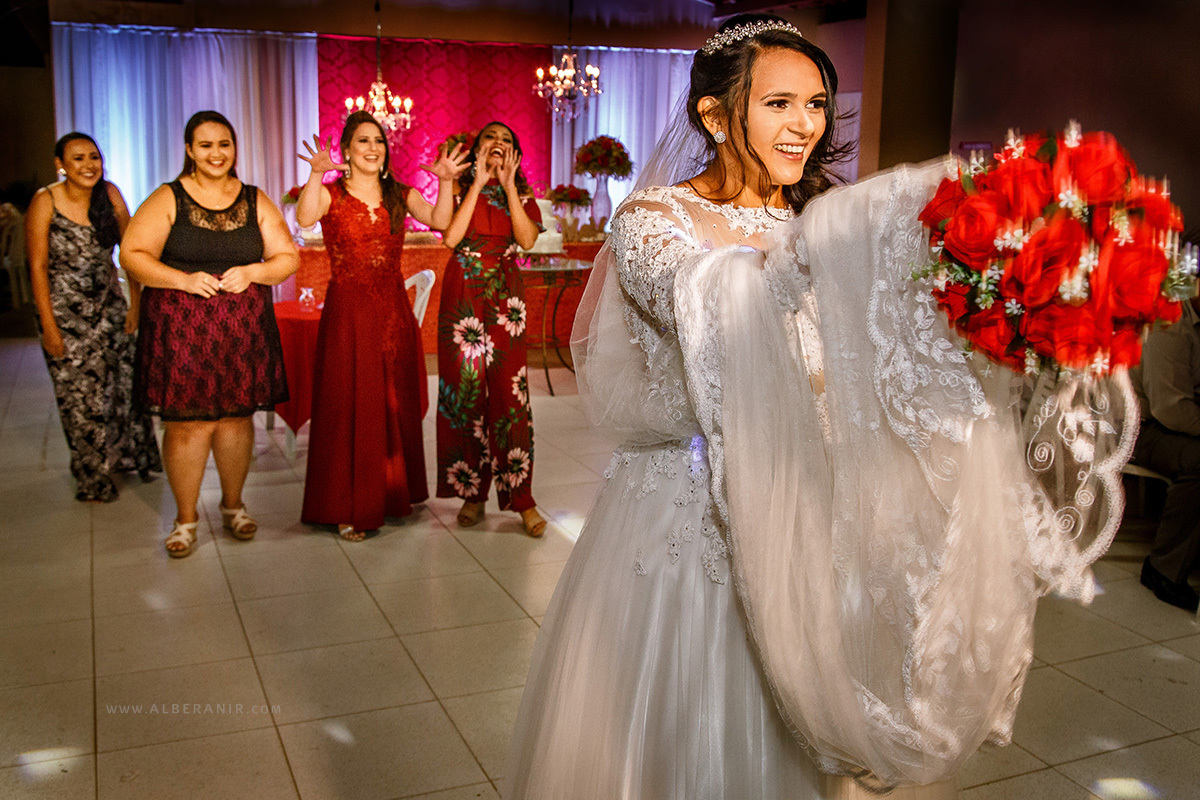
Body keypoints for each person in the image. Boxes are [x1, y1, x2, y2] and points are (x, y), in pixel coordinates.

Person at [505, 14, 1133, 799]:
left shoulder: (811, 218)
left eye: (815, 104)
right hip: (683, 514)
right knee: (684, 714)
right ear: (713, 114)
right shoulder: (651, 221)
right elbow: (713, 308)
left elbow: (860, 354)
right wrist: (828, 249)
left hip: (803, 499)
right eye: (778, 104)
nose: (804, 124)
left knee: (791, 719)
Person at [121, 110, 298, 558]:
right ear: (189, 150)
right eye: (205, 145)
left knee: (237, 420)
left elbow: (287, 257)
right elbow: (132, 254)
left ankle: (234, 506)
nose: (216, 153)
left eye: (224, 144)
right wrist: (181, 280)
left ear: (234, 149)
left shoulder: (255, 199)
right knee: (189, 426)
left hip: (241, 333)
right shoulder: (169, 197)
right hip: (181, 331)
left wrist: (257, 270)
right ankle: (185, 520)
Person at [296, 111, 467, 540]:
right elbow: (303, 217)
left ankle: (391, 493)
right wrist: (316, 174)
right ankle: (348, 503)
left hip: (392, 311)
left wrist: (446, 181)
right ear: (347, 150)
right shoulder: (332, 195)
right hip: (348, 313)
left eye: (379, 141)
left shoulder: (400, 193)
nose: (373, 148)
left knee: (392, 401)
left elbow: (442, 222)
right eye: (363, 141)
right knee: (349, 403)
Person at [25, 132, 161, 501]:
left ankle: (127, 459)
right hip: (65, 316)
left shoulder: (110, 194)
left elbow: (131, 253)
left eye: (94, 157)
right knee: (80, 399)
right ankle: (92, 476)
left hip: (111, 308)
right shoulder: (45, 202)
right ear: (60, 165)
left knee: (123, 387)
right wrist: (50, 327)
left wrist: (135, 304)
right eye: (78, 159)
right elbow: (36, 267)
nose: (88, 165)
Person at [436, 121, 548, 537]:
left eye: (506, 141)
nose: (498, 145)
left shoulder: (523, 192)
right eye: (490, 139)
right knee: (465, 392)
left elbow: (527, 239)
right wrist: (478, 181)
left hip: (505, 299)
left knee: (509, 394)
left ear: (516, 153)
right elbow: (450, 237)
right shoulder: (457, 184)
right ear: (476, 148)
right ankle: (473, 493)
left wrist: (509, 185)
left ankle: (523, 499)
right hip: (462, 293)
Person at [1130, 286, 1200, 612]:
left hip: (1180, 422)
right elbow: (1169, 410)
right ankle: (1163, 569)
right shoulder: (1170, 323)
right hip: (1139, 429)